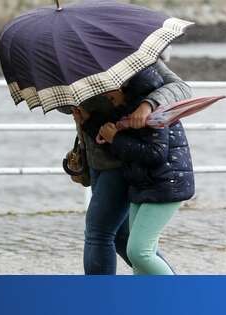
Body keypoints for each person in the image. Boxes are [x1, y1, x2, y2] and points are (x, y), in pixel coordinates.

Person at [72, 60, 192, 274]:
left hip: (127, 162)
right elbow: (67, 105)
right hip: (107, 159)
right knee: (125, 240)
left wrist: (148, 105)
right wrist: (85, 118)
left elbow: (180, 88)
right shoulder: (71, 58)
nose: (109, 96)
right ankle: (149, 298)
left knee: (103, 235)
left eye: (111, 93)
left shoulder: (135, 60)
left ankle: (100, 302)